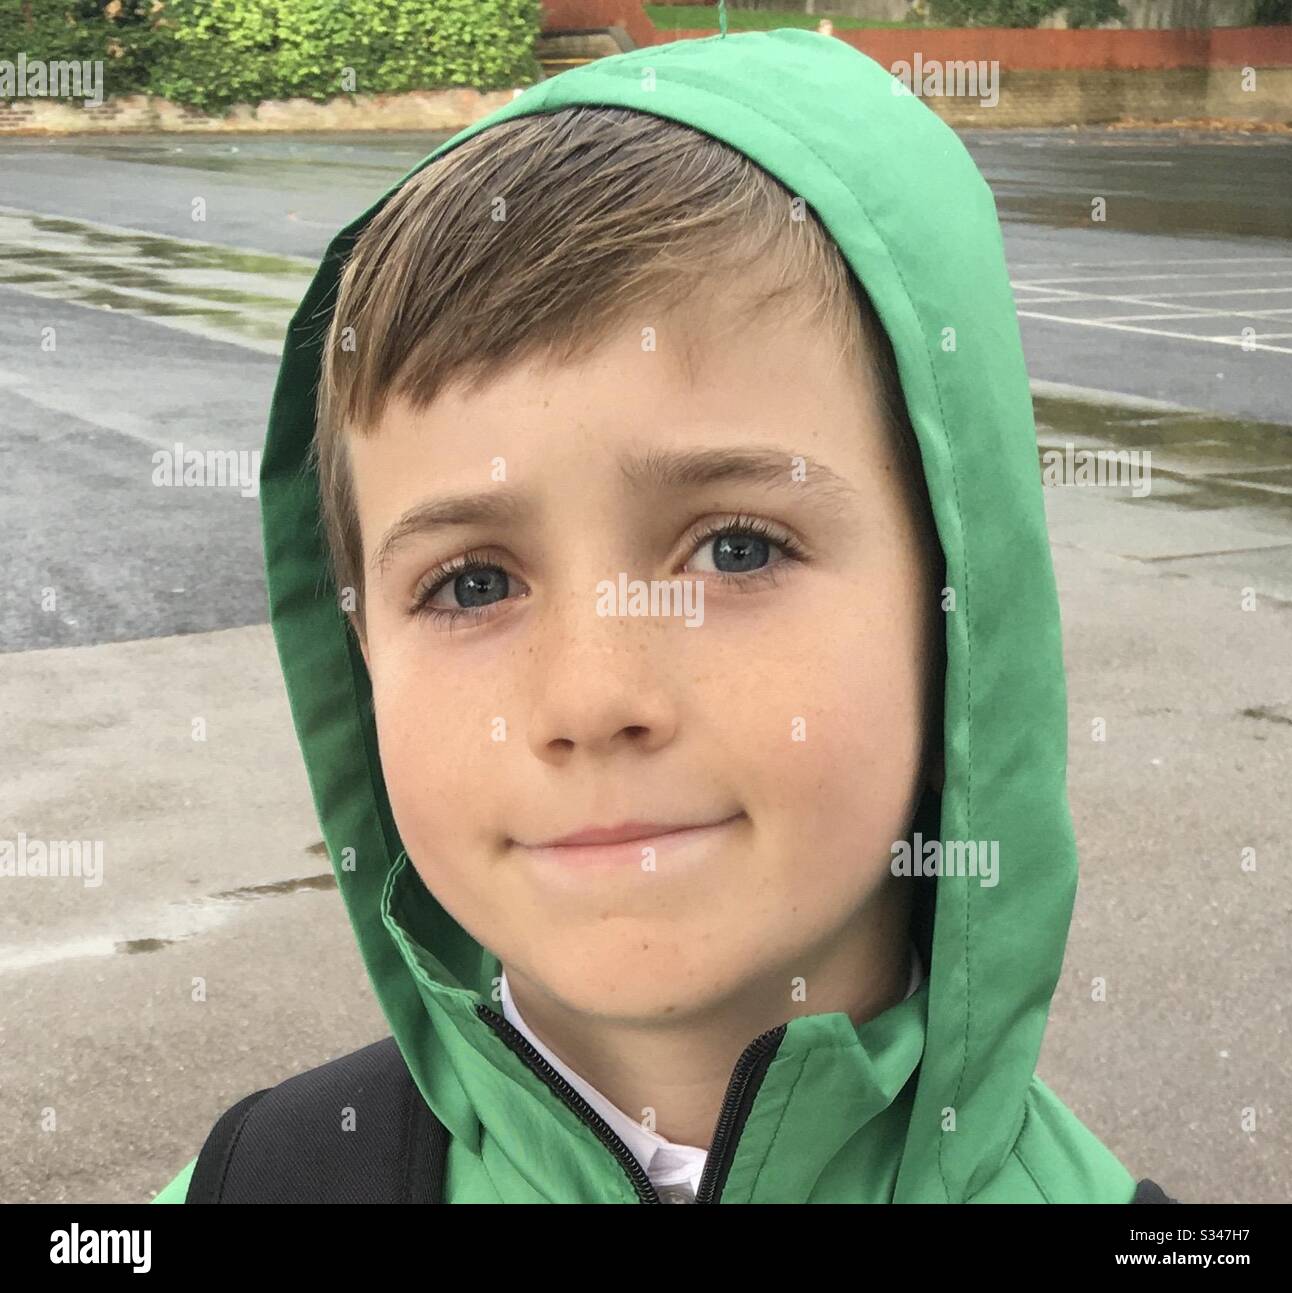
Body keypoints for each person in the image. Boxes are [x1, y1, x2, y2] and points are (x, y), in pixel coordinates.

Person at [150, 28, 1174, 1204]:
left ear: (959, 619)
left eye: (735, 549)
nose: (589, 698)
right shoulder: (257, 1185)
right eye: (471, 582)